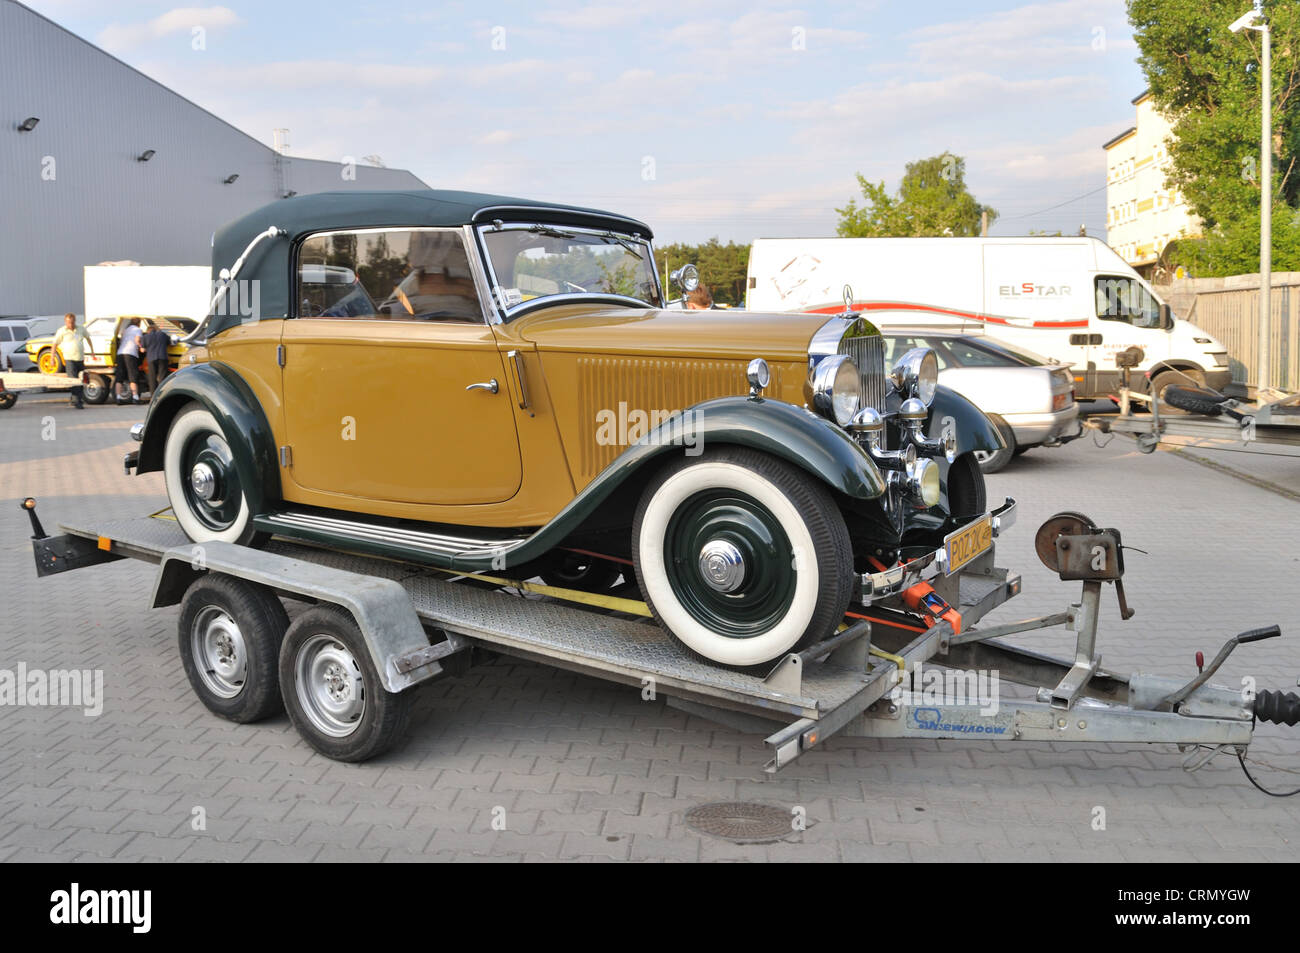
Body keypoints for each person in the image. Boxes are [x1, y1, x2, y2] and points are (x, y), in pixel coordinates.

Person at [51, 313, 95, 409]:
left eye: (72, 322)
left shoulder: (81, 329)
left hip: (80, 358)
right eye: (68, 322)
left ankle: (75, 398)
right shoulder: (62, 331)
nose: (70, 324)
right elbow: (54, 344)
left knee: (81, 380)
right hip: (69, 359)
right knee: (73, 380)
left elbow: (88, 338)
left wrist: (92, 352)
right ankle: (77, 401)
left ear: (75, 321)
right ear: (65, 322)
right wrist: (52, 358)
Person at [114, 318, 144, 404]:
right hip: (130, 354)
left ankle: (118, 398)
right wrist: (141, 346)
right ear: (139, 323)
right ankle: (135, 397)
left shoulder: (126, 330)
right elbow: (137, 340)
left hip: (120, 353)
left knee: (119, 377)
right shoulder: (138, 330)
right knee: (132, 376)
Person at [140, 320, 171, 395]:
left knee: (152, 377)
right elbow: (169, 342)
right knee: (162, 377)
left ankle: (153, 395)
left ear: (148, 331)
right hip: (163, 357)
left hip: (151, 358)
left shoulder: (145, 337)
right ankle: (162, 394)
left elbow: (142, 350)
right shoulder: (163, 335)